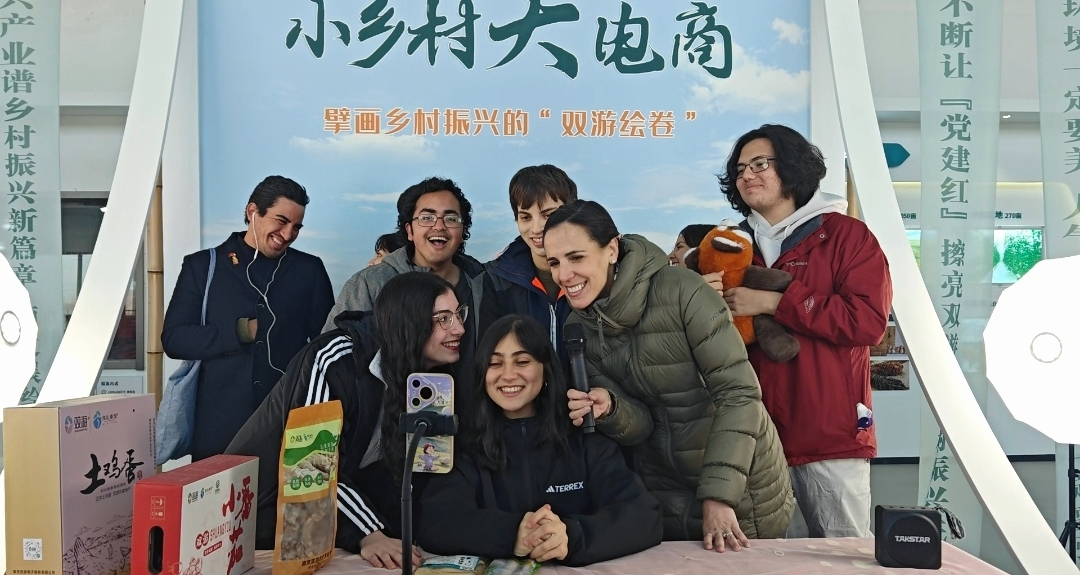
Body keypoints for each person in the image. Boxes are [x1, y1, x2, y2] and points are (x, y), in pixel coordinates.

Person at [542, 200, 793, 551]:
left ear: (611, 250)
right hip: (666, 495)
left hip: (741, 488)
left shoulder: (682, 290)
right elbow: (642, 427)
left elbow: (738, 394)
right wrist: (611, 409)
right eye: (554, 262)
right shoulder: (578, 326)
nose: (564, 274)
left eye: (576, 257)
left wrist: (720, 495)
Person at [712, 124, 892, 538]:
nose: (747, 175)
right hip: (756, 441)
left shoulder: (846, 235)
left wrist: (776, 303)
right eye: (740, 170)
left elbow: (867, 322)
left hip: (829, 434)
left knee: (843, 556)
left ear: (792, 167)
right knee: (770, 560)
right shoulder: (732, 245)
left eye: (760, 164)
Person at [226, 272, 468, 570]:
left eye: (458, 314)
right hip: (261, 521)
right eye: (443, 319)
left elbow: (416, 470)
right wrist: (368, 533)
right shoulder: (334, 358)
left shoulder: (431, 377)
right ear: (409, 323)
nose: (459, 328)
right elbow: (309, 464)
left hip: (339, 519)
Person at [417, 315, 663, 566]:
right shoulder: (467, 447)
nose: (508, 375)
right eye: (495, 363)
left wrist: (572, 536)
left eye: (522, 361)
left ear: (545, 369)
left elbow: (644, 515)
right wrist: (513, 533)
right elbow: (436, 521)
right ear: (482, 373)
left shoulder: (585, 439)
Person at [161, 175, 334, 460]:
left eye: (296, 227)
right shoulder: (203, 266)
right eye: (281, 221)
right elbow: (174, 339)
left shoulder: (309, 270)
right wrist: (242, 332)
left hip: (289, 426)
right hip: (218, 428)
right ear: (253, 211)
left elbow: (325, 344)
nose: (288, 234)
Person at [477, 165, 577, 369]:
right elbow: (489, 359)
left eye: (548, 215)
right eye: (525, 217)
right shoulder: (496, 280)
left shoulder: (595, 273)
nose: (536, 228)